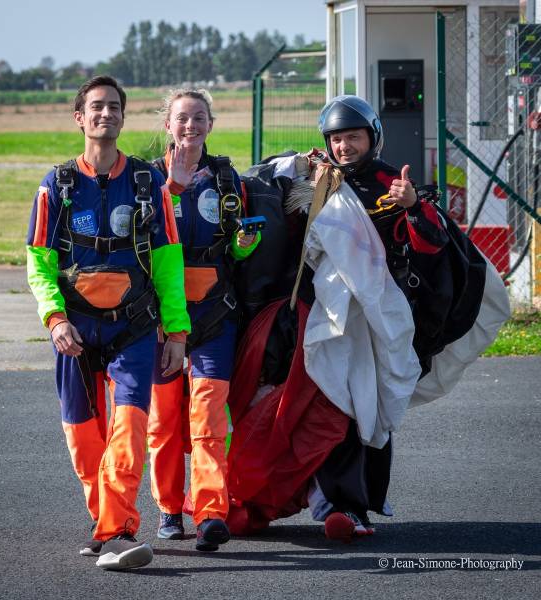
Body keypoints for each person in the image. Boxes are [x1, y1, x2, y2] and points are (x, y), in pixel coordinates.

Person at [224, 95, 451, 541]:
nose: (344, 146)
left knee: (351, 405)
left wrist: (410, 206)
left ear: (373, 137)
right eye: (337, 139)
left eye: (353, 137)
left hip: (366, 320)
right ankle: (255, 499)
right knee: (285, 405)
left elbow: (431, 245)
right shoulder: (314, 178)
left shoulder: (393, 184)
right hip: (310, 314)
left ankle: (345, 507)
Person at [26, 76, 190, 570]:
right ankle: (106, 520)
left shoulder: (146, 184)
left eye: (114, 107)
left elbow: (168, 263)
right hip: (74, 331)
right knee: (83, 438)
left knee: (130, 428)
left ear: (122, 116)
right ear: (80, 117)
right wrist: (54, 319)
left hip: (133, 329)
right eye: (96, 107)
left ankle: (117, 531)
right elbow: (38, 263)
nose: (106, 114)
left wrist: (177, 333)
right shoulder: (56, 185)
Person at [147, 89, 260, 551]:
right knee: (165, 420)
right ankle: (170, 509)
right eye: (181, 118)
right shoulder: (145, 177)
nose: (190, 126)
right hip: (158, 317)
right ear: (167, 125)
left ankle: (211, 510)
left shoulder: (228, 179)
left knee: (210, 416)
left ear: (210, 124)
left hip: (215, 312)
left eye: (198, 118)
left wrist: (245, 245)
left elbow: (235, 248)